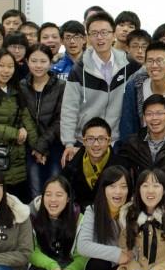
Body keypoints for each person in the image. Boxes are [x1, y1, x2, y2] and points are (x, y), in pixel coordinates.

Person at [60, 12, 140, 164]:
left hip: (116, 140)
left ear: (113, 35)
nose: (100, 38)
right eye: (94, 33)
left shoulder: (129, 64)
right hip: (86, 140)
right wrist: (69, 143)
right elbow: (69, 108)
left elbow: (153, 73)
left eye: (104, 32)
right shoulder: (79, 68)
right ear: (88, 38)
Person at [0, 49, 42, 200]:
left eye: (10, 66)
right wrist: (15, 133)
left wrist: (38, 147)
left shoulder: (17, 92)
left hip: (17, 157)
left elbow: (27, 120)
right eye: (1, 66)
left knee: (17, 201)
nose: (6, 70)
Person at [28, 176, 87, 270]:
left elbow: (83, 255)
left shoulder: (79, 219)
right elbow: (31, 251)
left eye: (59, 195)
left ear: (68, 198)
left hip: (67, 268)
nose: (53, 200)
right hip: (45, 268)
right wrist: (52, 266)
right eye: (48, 194)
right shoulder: (31, 216)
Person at [77, 165, 133, 270]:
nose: (118, 192)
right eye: (112, 186)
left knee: (126, 267)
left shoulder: (134, 213)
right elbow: (83, 245)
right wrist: (117, 254)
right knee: (97, 264)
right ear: (103, 188)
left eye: (123, 187)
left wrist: (125, 257)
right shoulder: (93, 210)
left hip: (124, 269)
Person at [114, 95, 165, 196]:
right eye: (149, 114)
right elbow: (122, 174)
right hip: (140, 199)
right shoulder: (132, 142)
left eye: (159, 113)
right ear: (144, 117)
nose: (154, 118)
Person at [22, 45, 65, 202]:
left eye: (43, 61)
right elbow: (22, 117)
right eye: (34, 61)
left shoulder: (61, 86)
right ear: (27, 61)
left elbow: (60, 119)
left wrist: (42, 145)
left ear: (50, 62)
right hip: (30, 147)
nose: (38, 65)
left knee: (55, 189)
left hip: (55, 145)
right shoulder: (21, 86)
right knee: (35, 192)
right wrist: (36, 147)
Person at [62, 118, 115, 206]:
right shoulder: (72, 166)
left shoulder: (120, 166)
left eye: (101, 139)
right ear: (84, 141)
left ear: (109, 141)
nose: (96, 144)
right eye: (90, 139)